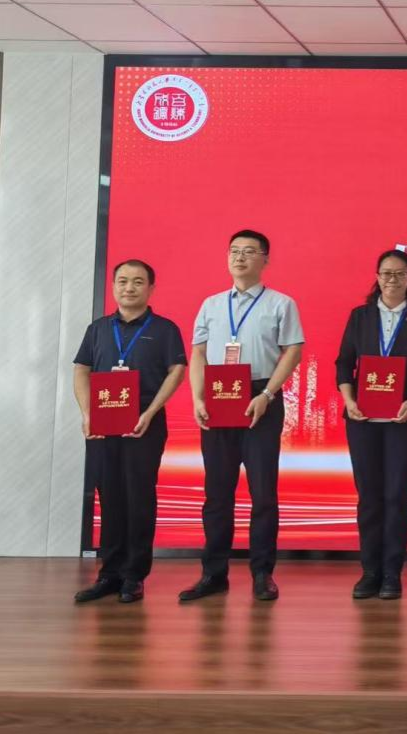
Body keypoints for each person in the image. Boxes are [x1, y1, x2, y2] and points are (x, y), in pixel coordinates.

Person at [179, 229, 304, 604]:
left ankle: (262, 573)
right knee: (217, 493)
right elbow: (199, 353)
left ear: (265, 260)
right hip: (219, 395)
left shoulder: (281, 303)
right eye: (234, 251)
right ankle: (213, 573)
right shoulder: (211, 304)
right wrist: (198, 397)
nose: (240, 257)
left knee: (263, 493)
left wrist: (267, 394)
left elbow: (293, 350)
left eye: (249, 251)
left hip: (261, 395)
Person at [72, 259, 187, 604]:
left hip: (143, 424)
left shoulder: (165, 329)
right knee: (108, 496)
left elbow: (177, 370)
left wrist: (151, 412)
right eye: (122, 281)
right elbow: (81, 369)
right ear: (113, 286)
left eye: (138, 282)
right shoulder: (98, 329)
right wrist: (88, 413)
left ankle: (134, 575)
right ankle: (109, 573)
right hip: (103, 426)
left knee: (138, 497)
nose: (129, 287)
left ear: (151, 288)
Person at [336, 248, 407, 601]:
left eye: (399, 274)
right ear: (377, 277)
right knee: (368, 496)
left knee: (397, 495)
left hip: (404, 419)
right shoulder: (360, 316)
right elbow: (344, 363)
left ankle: (392, 573)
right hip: (363, 419)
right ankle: (369, 571)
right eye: (386, 273)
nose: (392, 280)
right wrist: (349, 400)